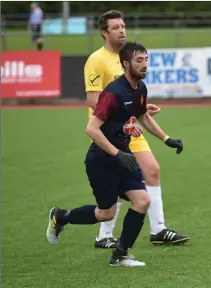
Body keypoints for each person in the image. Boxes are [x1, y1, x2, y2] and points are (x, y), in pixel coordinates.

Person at [46, 41, 185, 267]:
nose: (145, 65)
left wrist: (166, 139)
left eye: (146, 60)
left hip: (124, 156)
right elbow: (91, 128)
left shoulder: (140, 88)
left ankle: (120, 255)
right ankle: (61, 217)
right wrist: (116, 153)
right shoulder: (113, 92)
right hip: (102, 160)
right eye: (139, 61)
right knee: (106, 213)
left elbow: (142, 116)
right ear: (125, 64)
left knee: (142, 201)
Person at [84, 10, 189, 249]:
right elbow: (93, 99)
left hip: (131, 127)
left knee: (151, 170)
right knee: (121, 177)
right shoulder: (97, 59)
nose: (122, 30)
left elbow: (132, 102)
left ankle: (159, 229)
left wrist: (162, 134)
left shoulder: (130, 55)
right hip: (110, 131)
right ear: (104, 32)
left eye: (123, 25)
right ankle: (104, 235)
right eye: (115, 27)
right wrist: (124, 113)